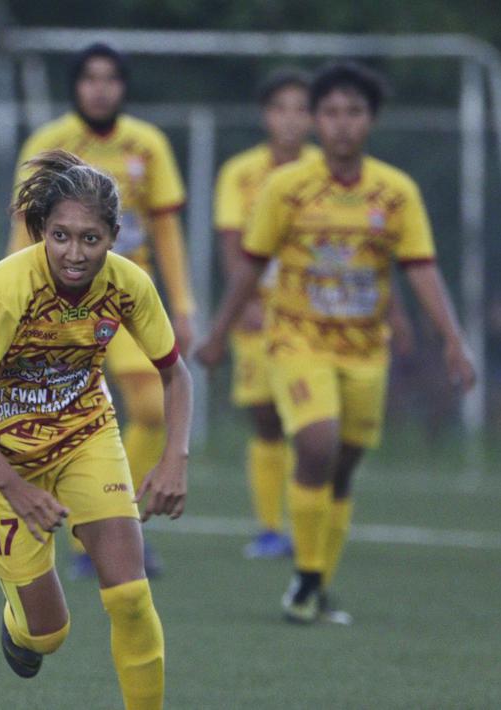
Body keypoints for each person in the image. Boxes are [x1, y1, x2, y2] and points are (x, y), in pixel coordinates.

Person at [196, 62, 475, 624]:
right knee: (316, 443)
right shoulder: (287, 188)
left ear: (371, 120)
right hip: (296, 339)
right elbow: (251, 265)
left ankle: (317, 583)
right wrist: (221, 331)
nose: (342, 124)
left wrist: (452, 339)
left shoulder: (395, 193)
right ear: (316, 121)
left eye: (354, 112)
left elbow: (419, 267)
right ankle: (302, 577)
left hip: (364, 351)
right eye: (330, 112)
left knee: (343, 468)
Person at [0, 150, 192, 708]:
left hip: (85, 436)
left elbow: (175, 374)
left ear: (115, 236)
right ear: (40, 232)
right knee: (47, 635)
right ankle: (21, 624)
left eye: (91, 239)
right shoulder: (3, 292)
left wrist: (174, 458)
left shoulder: (128, 285)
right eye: (60, 236)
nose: (74, 254)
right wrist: (14, 486)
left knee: (130, 596)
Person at [8, 43, 196, 579]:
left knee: (154, 411)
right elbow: (22, 231)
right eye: (90, 78)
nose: (100, 87)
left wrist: (182, 304)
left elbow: (165, 228)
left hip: (125, 301)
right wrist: (14, 298)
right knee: (54, 421)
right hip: (56, 304)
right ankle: (76, 540)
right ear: (75, 86)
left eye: (110, 78)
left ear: (123, 86)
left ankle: (118, 530)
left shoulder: (148, 145)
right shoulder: (50, 144)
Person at [213, 69, 317, 560]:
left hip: (313, 318)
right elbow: (232, 242)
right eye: (282, 108)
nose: (291, 119)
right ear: (266, 116)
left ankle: (311, 522)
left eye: (301, 108)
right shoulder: (241, 172)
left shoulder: (327, 171)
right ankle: (271, 528)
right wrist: (247, 301)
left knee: (315, 420)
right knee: (266, 418)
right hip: (258, 315)